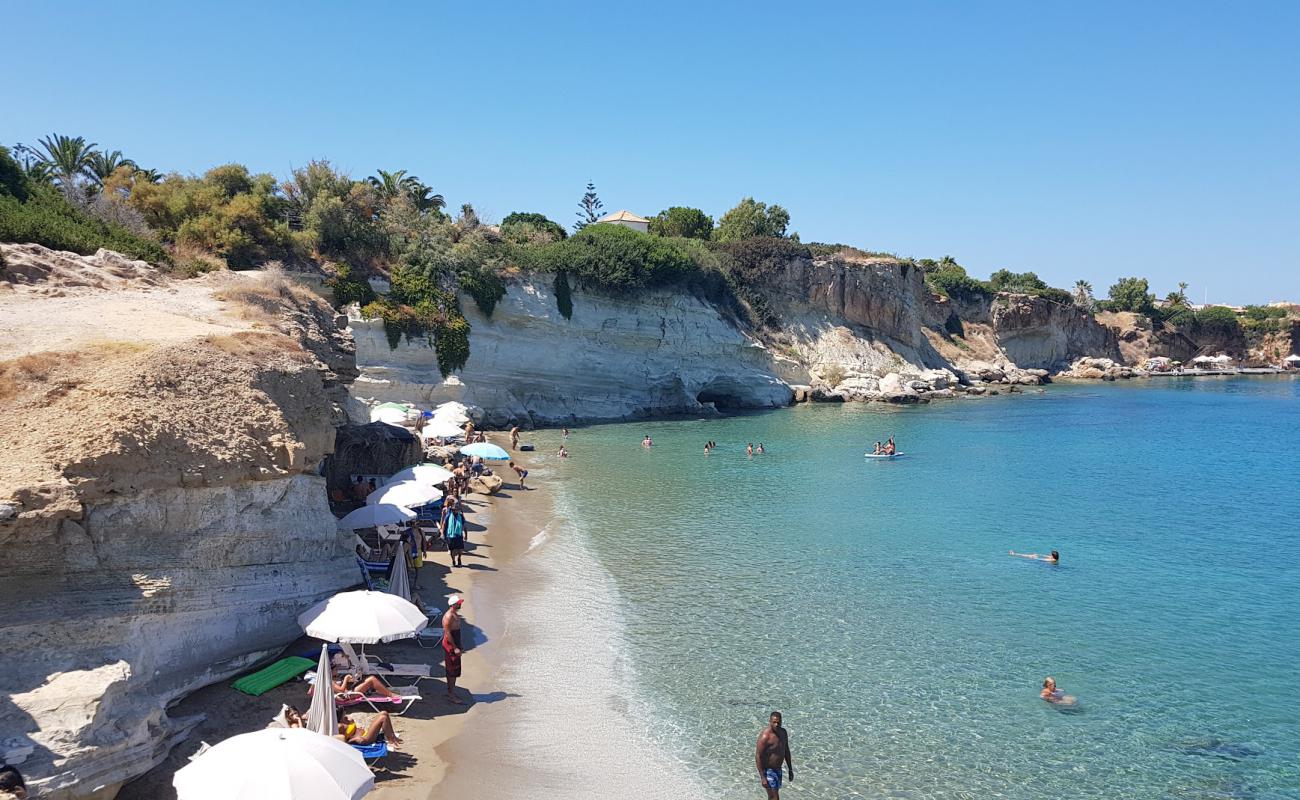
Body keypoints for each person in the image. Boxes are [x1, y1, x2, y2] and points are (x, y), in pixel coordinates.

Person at [755, 711, 794, 798]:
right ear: (770, 722)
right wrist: (762, 777)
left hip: (778, 770)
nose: (776, 724)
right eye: (774, 722)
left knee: (772, 797)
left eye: (778, 722)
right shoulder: (765, 736)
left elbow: (786, 751)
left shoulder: (783, 733)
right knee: (775, 797)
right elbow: (758, 756)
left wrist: (790, 769)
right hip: (767, 770)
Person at [442, 595, 466, 703]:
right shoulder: (449, 616)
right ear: (453, 605)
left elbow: (457, 632)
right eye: (459, 603)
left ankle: (451, 691)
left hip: (455, 643)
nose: (460, 604)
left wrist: (460, 644)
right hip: (450, 645)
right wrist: (455, 647)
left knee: (455, 669)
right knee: (452, 669)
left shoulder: (455, 614)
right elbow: (448, 634)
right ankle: (451, 694)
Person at [337, 711, 403, 748]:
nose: (345, 714)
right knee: (383, 718)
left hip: (366, 732)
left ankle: (393, 737)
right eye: (343, 713)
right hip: (364, 739)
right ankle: (391, 741)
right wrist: (352, 741)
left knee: (383, 713)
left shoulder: (346, 719)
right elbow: (341, 740)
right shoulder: (339, 726)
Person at [443, 501, 466, 568]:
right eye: (453, 510)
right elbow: (444, 524)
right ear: (452, 510)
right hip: (450, 535)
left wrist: (466, 534)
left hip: (459, 535)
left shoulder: (461, 516)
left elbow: (464, 525)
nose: (454, 511)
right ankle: (453, 560)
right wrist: (443, 533)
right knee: (452, 550)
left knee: (460, 549)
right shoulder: (448, 515)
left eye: (456, 510)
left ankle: (459, 558)